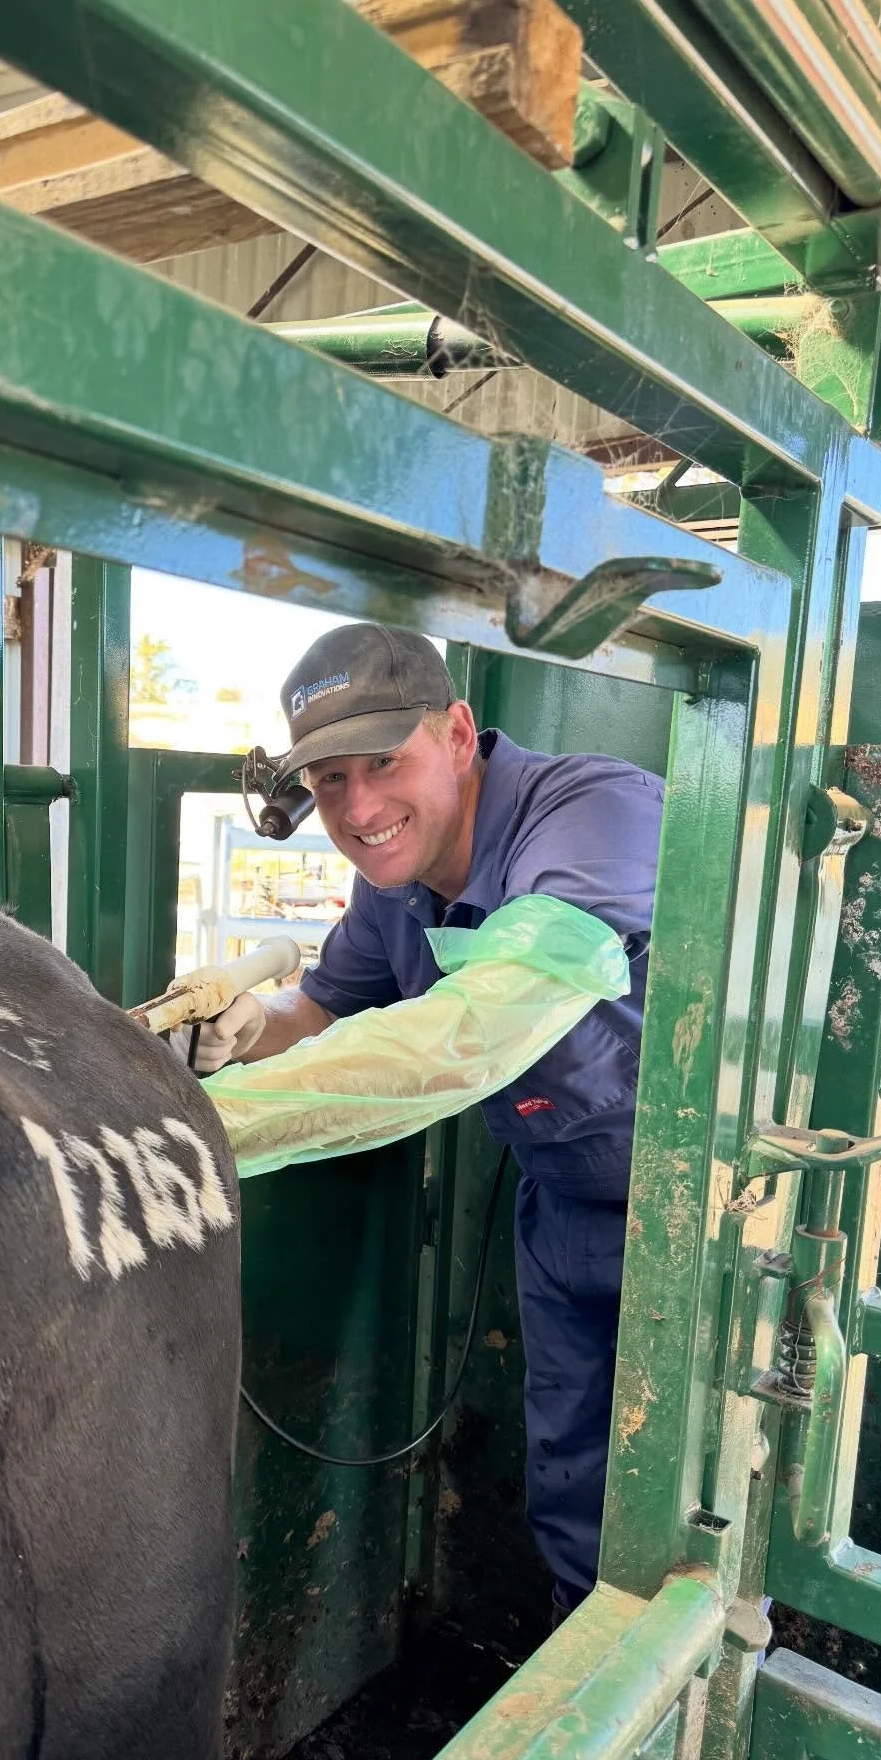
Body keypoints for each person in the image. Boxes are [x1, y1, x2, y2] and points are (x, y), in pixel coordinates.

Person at [189, 622, 662, 1615]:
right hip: (564, 1210)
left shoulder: (594, 814)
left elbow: (472, 1034)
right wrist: (240, 1027)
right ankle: (588, 1721)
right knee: (572, 1490)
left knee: (684, 1516)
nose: (358, 809)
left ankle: (690, 1736)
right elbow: (317, 1006)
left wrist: (177, 1131)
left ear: (455, 732)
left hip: (695, 1223)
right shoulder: (391, 892)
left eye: (383, 764)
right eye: (327, 783)